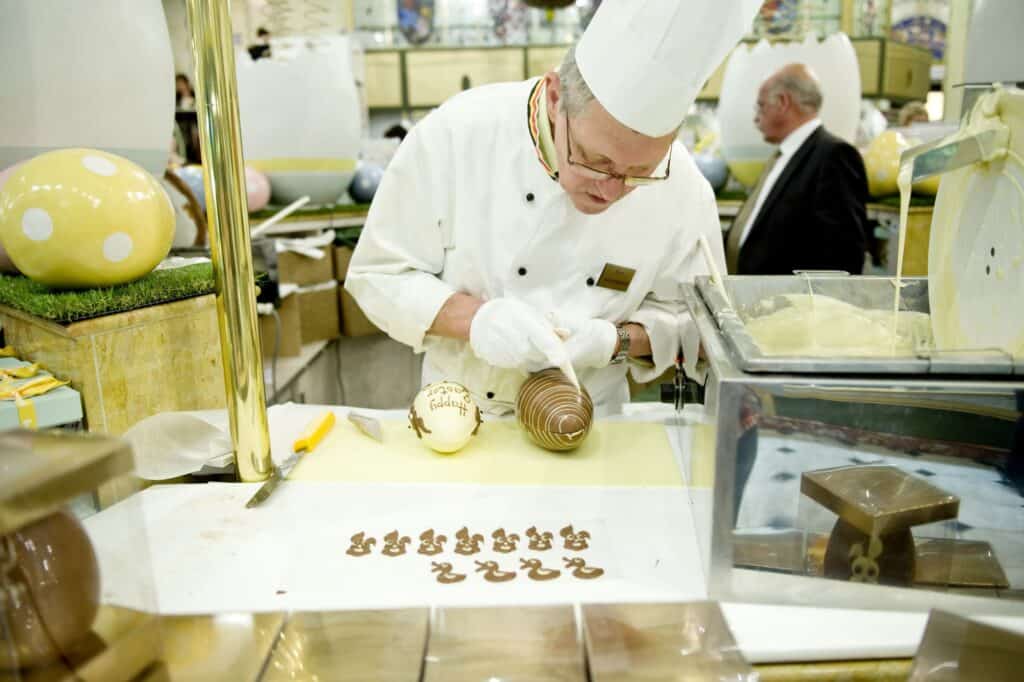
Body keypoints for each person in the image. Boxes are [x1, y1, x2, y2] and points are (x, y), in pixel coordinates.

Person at [346, 0, 761, 415]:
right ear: (555, 96)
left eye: (639, 173)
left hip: (597, 420)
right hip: (459, 415)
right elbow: (379, 275)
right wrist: (476, 321)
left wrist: (614, 341)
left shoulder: (683, 188)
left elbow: (700, 324)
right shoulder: (457, 135)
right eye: (595, 161)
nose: (612, 190)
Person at [726, 63, 868, 276]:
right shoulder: (783, 156)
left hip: (789, 303)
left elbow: (842, 256)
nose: (756, 118)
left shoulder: (833, 156)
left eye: (761, 106)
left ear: (783, 102)